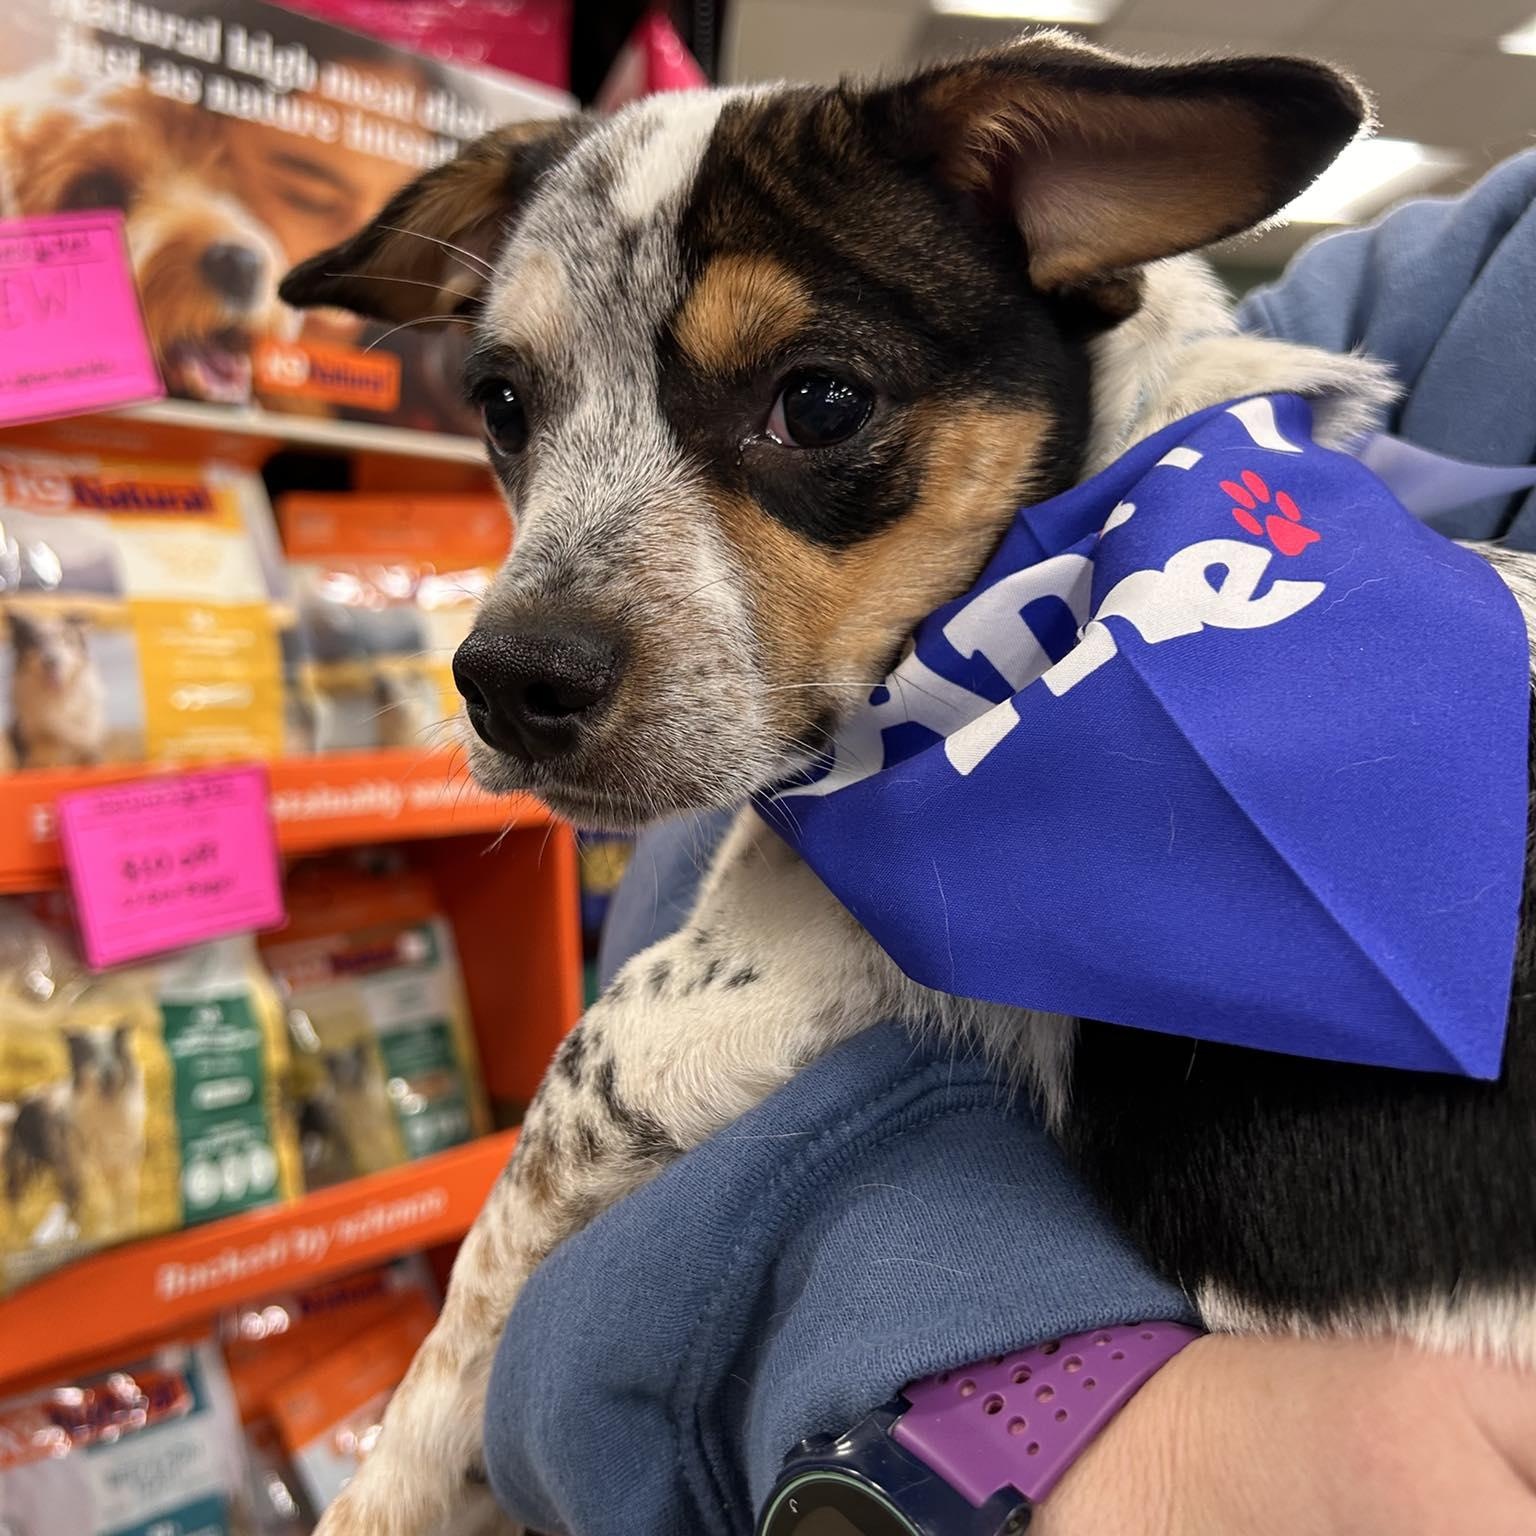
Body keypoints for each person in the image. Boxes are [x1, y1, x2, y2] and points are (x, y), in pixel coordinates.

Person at [483, 150, 1536, 1535]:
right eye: (509, 406)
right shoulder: (1411, 300)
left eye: (816, 402)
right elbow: (596, 1287)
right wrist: (1035, 1410)